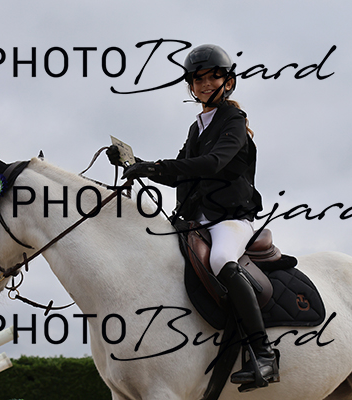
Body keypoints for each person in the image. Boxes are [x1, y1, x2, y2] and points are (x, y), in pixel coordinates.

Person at [107, 44, 279, 387]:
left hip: (230, 219)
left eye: (212, 77)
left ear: (228, 82)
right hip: (194, 221)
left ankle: (265, 355)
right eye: (198, 79)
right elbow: (178, 175)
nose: (204, 84)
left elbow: (213, 164)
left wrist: (152, 166)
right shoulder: (197, 128)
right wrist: (134, 164)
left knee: (221, 259)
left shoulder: (234, 122)